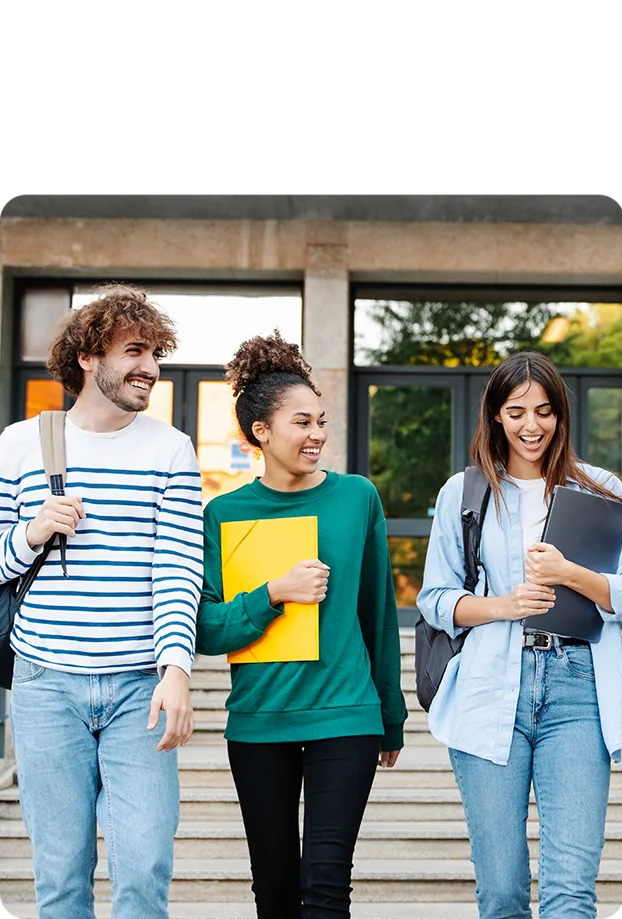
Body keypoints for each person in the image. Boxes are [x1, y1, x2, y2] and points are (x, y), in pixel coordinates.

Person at [0, 284, 198, 916]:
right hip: (44, 686)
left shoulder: (170, 447)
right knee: (60, 880)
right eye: (134, 351)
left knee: (143, 873)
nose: (151, 367)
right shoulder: (19, 444)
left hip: (140, 687)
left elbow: (178, 569)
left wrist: (176, 669)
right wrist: (32, 531)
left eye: (156, 353)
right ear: (87, 357)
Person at [195, 331, 408, 918]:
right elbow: (207, 631)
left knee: (328, 889)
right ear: (261, 432)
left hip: (346, 715)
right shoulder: (223, 513)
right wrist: (272, 594)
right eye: (301, 422)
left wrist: (390, 716)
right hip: (259, 722)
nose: (317, 435)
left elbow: (378, 614)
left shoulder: (356, 498)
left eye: (321, 421)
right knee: (275, 892)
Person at [418, 351, 622, 919]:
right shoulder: (464, 494)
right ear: (495, 416)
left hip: (578, 691)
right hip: (489, 690)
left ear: (561, 415)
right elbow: (434, 601)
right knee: (503, 891)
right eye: (516, 412)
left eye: (544, 411)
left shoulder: (603, 490)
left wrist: (570, 575)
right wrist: (502, 605)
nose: (531, 426)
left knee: (570, 892)